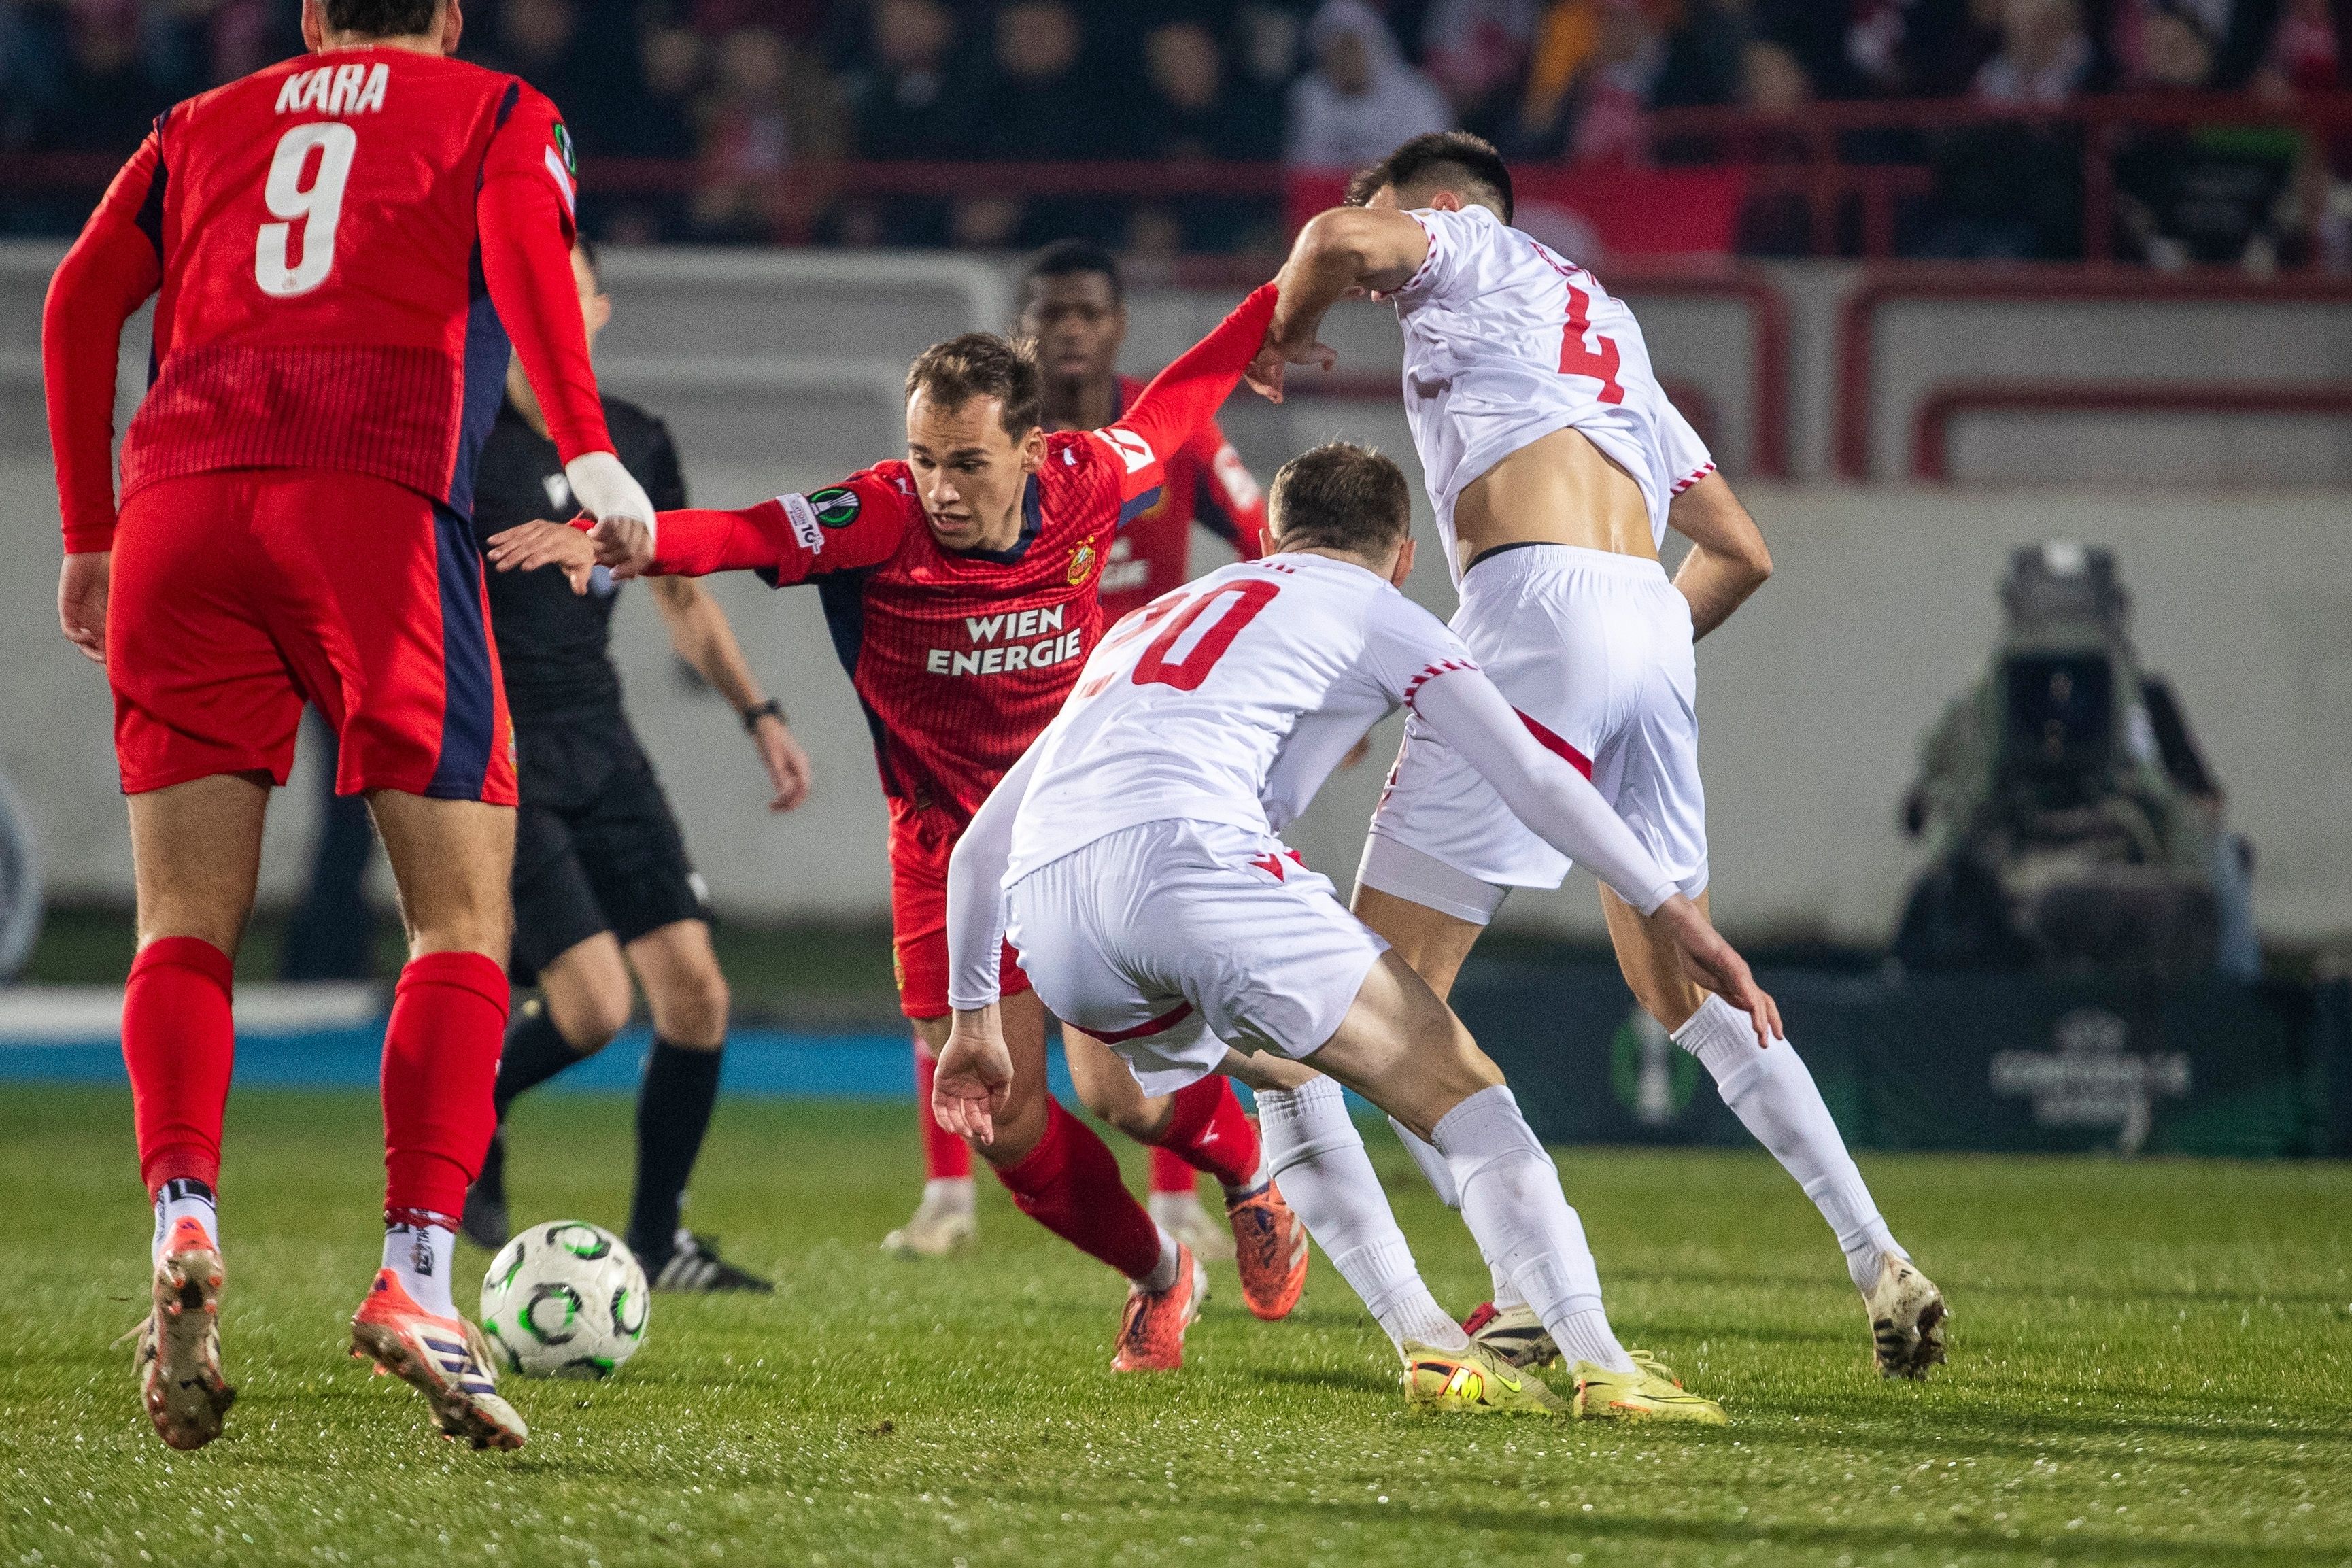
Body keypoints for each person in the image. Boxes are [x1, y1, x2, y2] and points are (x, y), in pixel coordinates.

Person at [44, 0, 661, 1452]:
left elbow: (78, 301)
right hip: (373, 499)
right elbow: (527, 260)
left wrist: (89, 529)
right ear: (446, 17)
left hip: (183, 506)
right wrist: (583, 451)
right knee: (458, 922)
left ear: (313, 18)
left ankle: (185, 1213)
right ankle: (418, 1275)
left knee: (180, 921)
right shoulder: (500, 109)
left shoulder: (195, 126)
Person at [496, 286, 1311, 1371]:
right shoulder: (877, 519)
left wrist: (1280, 303)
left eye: (967, 461)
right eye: (923, 455)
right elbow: (743, 532)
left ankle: (1250, 1176)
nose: (939, 486)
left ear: (1031, 449)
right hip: (939, 850)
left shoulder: (1086, 482)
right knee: (1007, 1126)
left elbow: (1175, 402)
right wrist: (638, 543)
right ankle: (1160, 1273)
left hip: (1082, 834)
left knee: (1129, 1094)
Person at [1252, 131, 1948, 1380]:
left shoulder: (1467, 248)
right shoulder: (1608, 330)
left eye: (1393, 214)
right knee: (1682, 975)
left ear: (1447, 205)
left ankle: (1519, 1292)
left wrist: (1282, 331)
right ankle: (1875, 1251)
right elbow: (1741, 550)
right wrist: (1625, 653)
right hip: (1646, 620)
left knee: (1362, 995)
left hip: (1536, 609)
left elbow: (1332, 243)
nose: (1378, 257)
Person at [934, 441, 1773, 1421]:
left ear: (1263, 536)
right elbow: (1538, 777)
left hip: (1054, 918)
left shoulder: (1149, 618)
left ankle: (1427, 1342)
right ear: (1404, 557)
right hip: (1191, 866)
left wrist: (973, 1019)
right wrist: (1673, 909)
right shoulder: (1384, 609)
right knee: (1467, 1092)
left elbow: (974, 851)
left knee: (1291, 1065)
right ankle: (1603, 1363)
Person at [883, 239, 1271, 1265]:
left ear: (1117, 327)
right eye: (1048, 314)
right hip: (1010, 728)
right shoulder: (988, 455)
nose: (1067, 331)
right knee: (954, 957)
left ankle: (1192, 1187)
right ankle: (950, 1191)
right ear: (1024, 328)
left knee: (1129, 1009)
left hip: (1137, 745)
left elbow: (1266, 534)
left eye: (1086, 314)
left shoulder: (1154, 437)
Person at [464, 240, 813, 1292]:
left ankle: (657, 1243)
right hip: (501, 751)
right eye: (525, 294)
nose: (545, 314)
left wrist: (759, 711)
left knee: (698, 995)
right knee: (593, 1006)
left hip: (604, 745)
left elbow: (681, 594)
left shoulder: (636, 443)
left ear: (598, 312)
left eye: (563, 296)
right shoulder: (463, 433)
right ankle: (469, 1103)